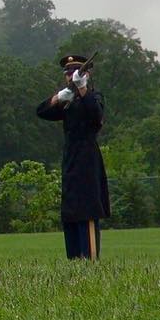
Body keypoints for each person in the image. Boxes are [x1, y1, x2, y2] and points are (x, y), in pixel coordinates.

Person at [37, 54, 109, 260]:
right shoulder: (68, 100)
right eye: (67, 74)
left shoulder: (94, 97)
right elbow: (42, 111)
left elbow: (96, 116)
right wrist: (58, 98)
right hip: (70, 159)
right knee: (71, 211)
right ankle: (74, 259)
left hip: (87, 158)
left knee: (87, 208)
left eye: (74, 73)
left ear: (86, 74)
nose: (70, 77)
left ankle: (90, 259)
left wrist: (83, 89)